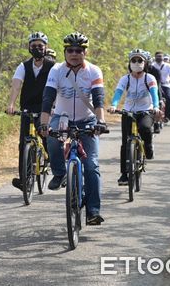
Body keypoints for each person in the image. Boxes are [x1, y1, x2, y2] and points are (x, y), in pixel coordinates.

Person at [39, 32, 107, 225]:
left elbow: (99, 98)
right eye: (70, 50)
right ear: (65, 52)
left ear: (85, 52)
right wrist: (44, 123)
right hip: (62, 117)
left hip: (87, 119)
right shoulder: (56, 70)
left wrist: (100, 122)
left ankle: (93, 211)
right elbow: (48, 98)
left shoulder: (94, 71)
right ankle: (60, 173)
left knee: (91, 165)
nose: (74, 54)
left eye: (79, 50)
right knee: (51, 138)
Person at [6, 32, 54, 191]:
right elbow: (16, 85)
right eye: (34, 46)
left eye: (40, 46)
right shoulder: (23, 66)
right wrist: (11, 104)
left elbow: (58, 88)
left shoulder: (53, 66)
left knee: (47, 136)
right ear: (29, 47)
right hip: (27, 107)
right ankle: (24, 179)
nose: (37, 49)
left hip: (46, 108)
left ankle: (54, 164)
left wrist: (56, 107)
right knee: (23, 143)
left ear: (46, 47)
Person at [108, 49, 161, 185]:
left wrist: (155, 107)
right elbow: (118, 93)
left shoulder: (149, 78)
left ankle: (148, 146)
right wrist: (113, 105)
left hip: (145, 111)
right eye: (134, 60)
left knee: (145, 128)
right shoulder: (125, 79)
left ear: (145, 63)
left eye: (140, 60)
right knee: (125, 143)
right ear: (129, 63)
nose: (136, 63)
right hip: (128, 112)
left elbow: (154, 94)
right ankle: (124, 174)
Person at [152, 51, 170, 122]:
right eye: (157, 56)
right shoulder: (152, 65)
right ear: (155, 57)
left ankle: (167, 116)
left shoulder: (167, 66)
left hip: (166, 85)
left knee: (168, 98)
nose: (159, 58)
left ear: (163, 57)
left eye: (160, 56)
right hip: (155, 85)